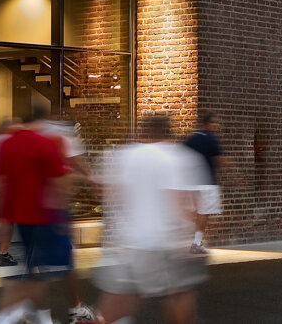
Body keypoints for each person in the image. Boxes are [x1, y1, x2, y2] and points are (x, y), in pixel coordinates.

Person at [95, 112, 209, 324]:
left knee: (121, 296)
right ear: (169, 132)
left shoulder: (124, 156)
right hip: (166, 241)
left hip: (131, 241)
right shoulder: (181, 158)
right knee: (180, 294)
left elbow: (109, 193)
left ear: (142, 132)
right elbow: (180, 202)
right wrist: (189, 240)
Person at [0, 114, 73, 324]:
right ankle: (6, 316)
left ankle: (42, 318)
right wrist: (62, 217)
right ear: (39, 123)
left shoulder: (5, 145)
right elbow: (59, 182)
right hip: (43, 216)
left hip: (18, 218)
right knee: (35, 275)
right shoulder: (45, 143)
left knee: (34, 270)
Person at [30, 107, 95, 324]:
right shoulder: (63, 136)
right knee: (66, 261)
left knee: (35, 261)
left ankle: (37, 313)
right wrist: (91, 178)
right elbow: (74, 165)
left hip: (32, 205)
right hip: (54, 207)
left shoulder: (34, 134)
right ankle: (74, 308)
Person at [182, 112, 225, 255]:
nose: (216, 125)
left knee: (193, 211)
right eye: (214, 123)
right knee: (204, 212)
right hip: (207, 183)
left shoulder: (192, 138)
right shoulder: (212, 138)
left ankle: (188, 239)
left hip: (191, 183)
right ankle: (197, 242)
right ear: (207, 124)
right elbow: (219, 159)